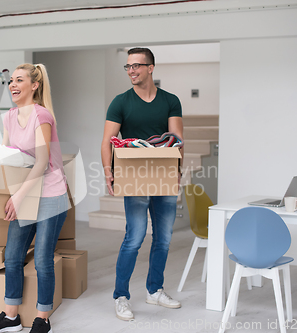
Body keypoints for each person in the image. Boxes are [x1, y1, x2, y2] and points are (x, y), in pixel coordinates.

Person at [0, 63, 68, 333]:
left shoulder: (42, 116)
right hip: (27, 190)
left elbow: (42, 162)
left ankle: (42, 319)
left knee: (42, 258)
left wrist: (18, 197)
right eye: (11, 82)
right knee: (14, 255)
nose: (13, 85)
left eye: (20, 80)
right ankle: (11, 317)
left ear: (35, 85)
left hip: (51, 192)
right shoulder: (9, 117)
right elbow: (10, 159)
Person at [101, 47, 184, 321]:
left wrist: (177, 170)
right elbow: (107, 141)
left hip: (163, 176)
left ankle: (155, 290)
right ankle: (121, 296)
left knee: (164, 239)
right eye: (128, 66)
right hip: (134, 178)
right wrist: (107, 172)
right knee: (134, 239)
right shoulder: (120, 102)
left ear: (151, 67)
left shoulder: (170, 100)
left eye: (137, 66)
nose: (131, 71)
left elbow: (177, 140)